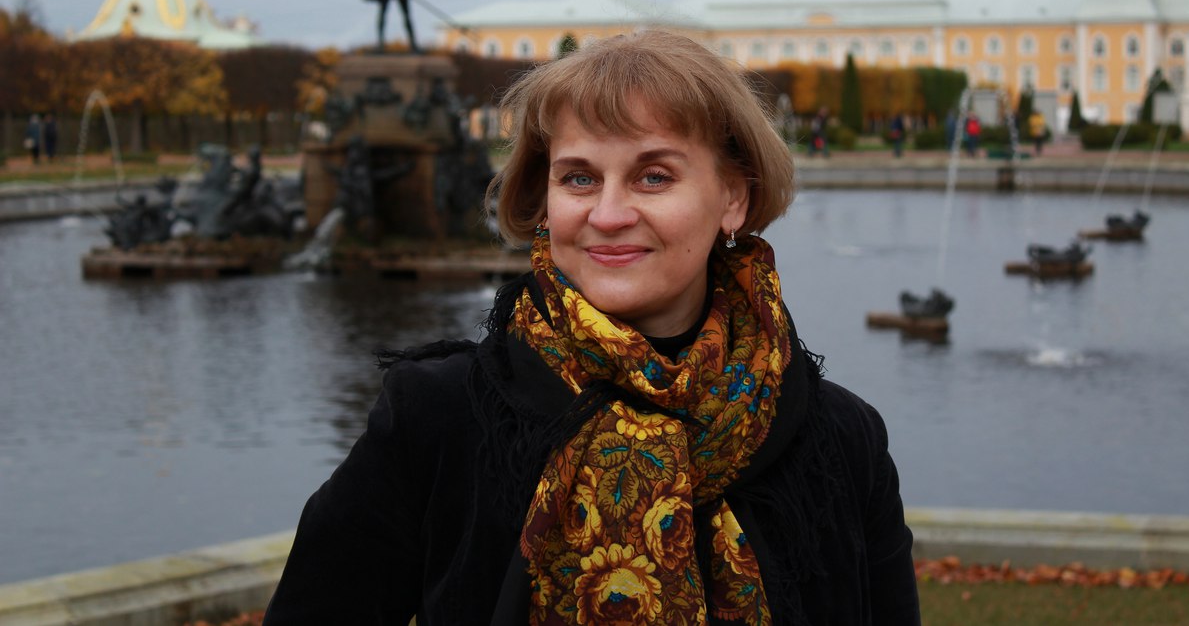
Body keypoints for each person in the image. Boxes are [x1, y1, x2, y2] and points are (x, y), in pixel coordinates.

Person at [264, 31, 919, 625]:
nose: (607, 214)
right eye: (579, 177)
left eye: (653, 176)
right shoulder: (436, 418)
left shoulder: (841, 439)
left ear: (733, 197)